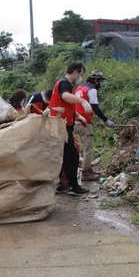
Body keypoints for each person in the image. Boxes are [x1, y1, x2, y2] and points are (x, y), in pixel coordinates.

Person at [48, 61, 92, 195]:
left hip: (60, 123)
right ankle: (73, 187)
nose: (81, 78)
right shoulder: (65, 83)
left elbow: (67, 105)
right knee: (72, 156)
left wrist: (78, 116)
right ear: (75, 72)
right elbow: (65, 97)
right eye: (81, 74)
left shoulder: (62, 83)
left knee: (63, 156)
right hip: (61, 125)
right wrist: (83, 101)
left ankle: (62, 185)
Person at [74, 70, 116, 181]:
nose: (100, 84)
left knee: (75, 147)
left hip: (73, 121)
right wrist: (106, 120)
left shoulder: (79, 88)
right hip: (84, 122)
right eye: (100, 81)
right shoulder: (91, 90)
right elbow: (95, 107)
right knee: (88, 148)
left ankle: (86, 169)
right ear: (96, 81)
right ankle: (86, 172)